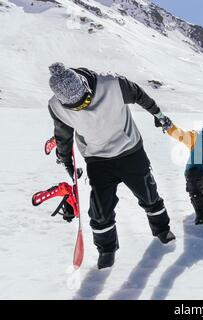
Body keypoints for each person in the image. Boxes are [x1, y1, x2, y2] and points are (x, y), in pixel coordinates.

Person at [47, 62, 175, 269]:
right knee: (99, 211)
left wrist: (159, 115)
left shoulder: (114, 84)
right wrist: (67, 162)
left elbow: (141, 96)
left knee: (149, 195)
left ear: (85, 86)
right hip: (97, 159)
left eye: (85, 101)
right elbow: (63, 136)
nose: (83, 107)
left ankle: (161, 229)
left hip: (130, 151)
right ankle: (106, 250)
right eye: (75, 108)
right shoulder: (56, 107)